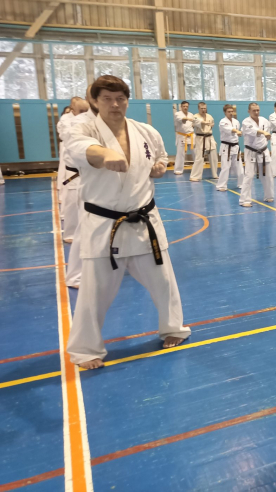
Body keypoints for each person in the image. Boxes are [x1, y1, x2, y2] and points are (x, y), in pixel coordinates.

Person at [64, 75, 190, 369]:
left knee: (164, 282)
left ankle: (173, 328)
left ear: (127, 101)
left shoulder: (144, 130)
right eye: (107, 99)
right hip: (105, 225)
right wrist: (105, 153)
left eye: (120, 99)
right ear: (95, 101)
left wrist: (160, 166)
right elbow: (81, 149)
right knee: (94, 292)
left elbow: (160, 156)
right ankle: (85, 349)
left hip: (145, 220)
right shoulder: (83, 128)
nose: (114, 104)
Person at [63, 89, 98, 289]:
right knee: (85, 225)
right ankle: (76, 275)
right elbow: (77, 152)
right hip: (82, 176)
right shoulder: (77, 123)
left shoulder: (106, 121)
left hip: (102, 179)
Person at [239, 103, 275, 207]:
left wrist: (267, 136)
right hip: (251, 151)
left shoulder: (264, 120)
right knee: (249, 175)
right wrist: (264, 133)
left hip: (263, 150)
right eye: (254, 110)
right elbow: (254, 131)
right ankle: (244, 200)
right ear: (249, 111)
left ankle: (269, 196)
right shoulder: (246, 122)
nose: (256, 112)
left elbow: (267, 133)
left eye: (258, 110)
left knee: (268, 175)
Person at [216, 104, 242, 192]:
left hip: (236, 146)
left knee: (239, 167)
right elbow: (231, 130)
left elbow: (237, 132)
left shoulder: (236, 122)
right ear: (225, 112)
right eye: (229, 112)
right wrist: (237, 131)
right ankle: (221, 186)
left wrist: (239, 133)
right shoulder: (223, 122)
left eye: (232, 111)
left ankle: (242, 184)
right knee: (225, 167)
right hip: (226, 147)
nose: (231, 113)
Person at [189, 102, 217, 182]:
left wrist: (211, 124)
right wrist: (205, 122)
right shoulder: (195, 116)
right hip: (200, 138)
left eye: (204, 108)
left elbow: (212, 124)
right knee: (199, 157)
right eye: (202, 108)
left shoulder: (209, 116)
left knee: (213, 156)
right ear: (198, 108)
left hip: (210, 137)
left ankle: (215, 174)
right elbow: (197, 122)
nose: (203, 110)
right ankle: (194, 176)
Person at [173, 101, 194, 175]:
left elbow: (193, 123)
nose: (185, 108)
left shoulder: (191, 114)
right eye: (184, 106)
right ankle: (178, 170)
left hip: (191, 135)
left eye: (187, 106)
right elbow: (182, 120)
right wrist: (188, 119)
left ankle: (197, 168)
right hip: (182, 136)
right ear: (181, 107)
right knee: (180, 153)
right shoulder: (177, 114)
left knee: (195, 152)